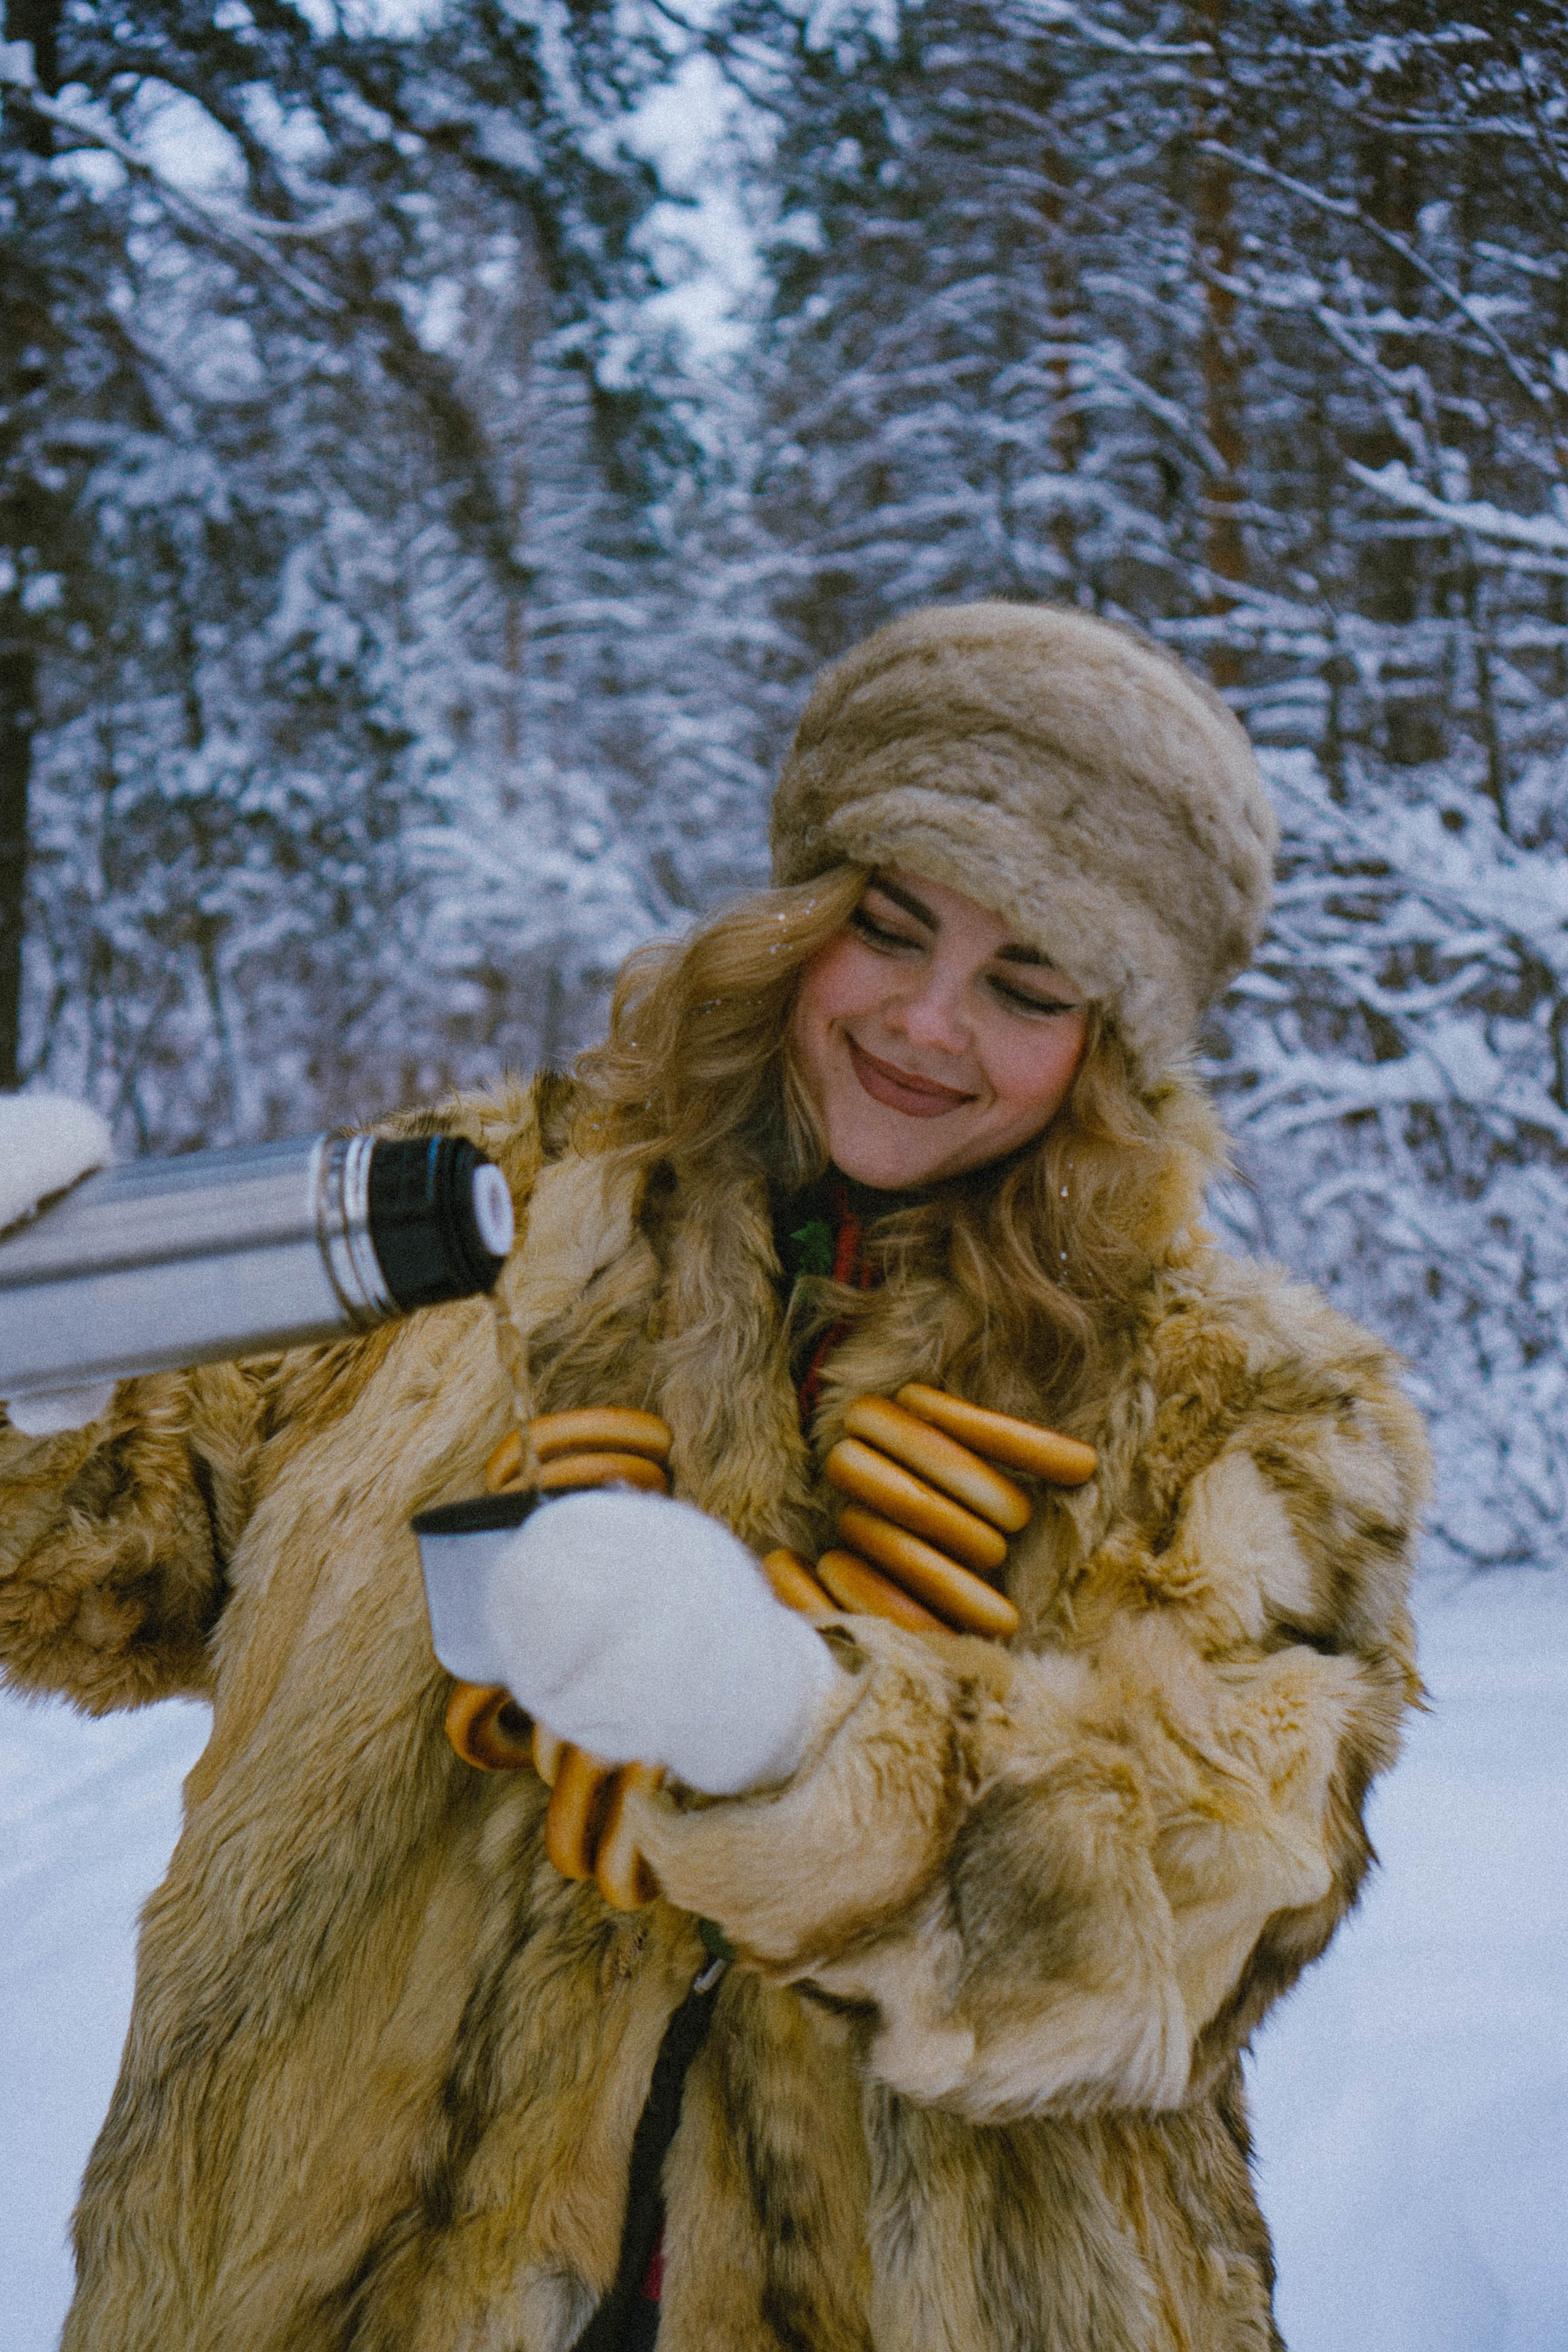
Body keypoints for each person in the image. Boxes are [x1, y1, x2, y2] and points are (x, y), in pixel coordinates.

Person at [0, 601, 1428, 2352]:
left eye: (1026, 985)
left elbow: (1206, 1903)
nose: (924, 1021)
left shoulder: (1255, 1406)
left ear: (1117, 1049)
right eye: (886, 929)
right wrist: (44, 1386)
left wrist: (799, 1741)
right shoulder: (466, 1213)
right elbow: (107, 1567)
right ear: (797, 920)